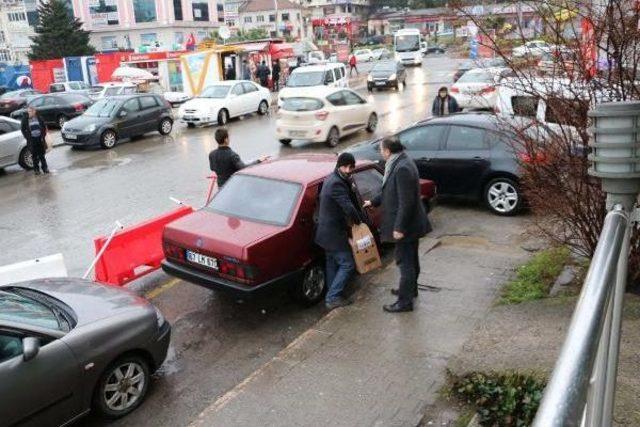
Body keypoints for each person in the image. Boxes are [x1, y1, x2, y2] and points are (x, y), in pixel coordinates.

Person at [363, 137, 430, 313]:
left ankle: (404, 302)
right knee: (411, 258)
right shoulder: (400, 161)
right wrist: (374, 201)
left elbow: (406, 202)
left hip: (407, 226)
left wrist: (399, 228)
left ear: (387, 151)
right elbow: (390, 190)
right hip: (412, 223)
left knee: (404, 261)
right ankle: (410, 289)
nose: (380, 152)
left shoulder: (402, 168)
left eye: (381, 149)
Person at [315, 153, 365, 310]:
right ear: (342, 166)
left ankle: (331, 293)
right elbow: (348, 206)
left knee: (332, 263)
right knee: (348, 265)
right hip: (333, 234)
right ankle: (333, 297)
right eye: (349, 168)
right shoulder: (337, 183)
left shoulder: (331, 178)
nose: (350, 171)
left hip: (325, 234)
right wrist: (359, 222)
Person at [21, 106, 48, 175]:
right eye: (29, 111)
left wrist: (43, 135)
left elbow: (44, 127)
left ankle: (45, 168)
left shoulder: (39, 118)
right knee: (34, 156)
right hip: (32, 140)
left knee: (42, 155)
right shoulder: (25, 119)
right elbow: (23, 129)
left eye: (32, 111)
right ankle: (36, 170)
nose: (30, 113)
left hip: (40, 139)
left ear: (35, 111)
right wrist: (27, 137)